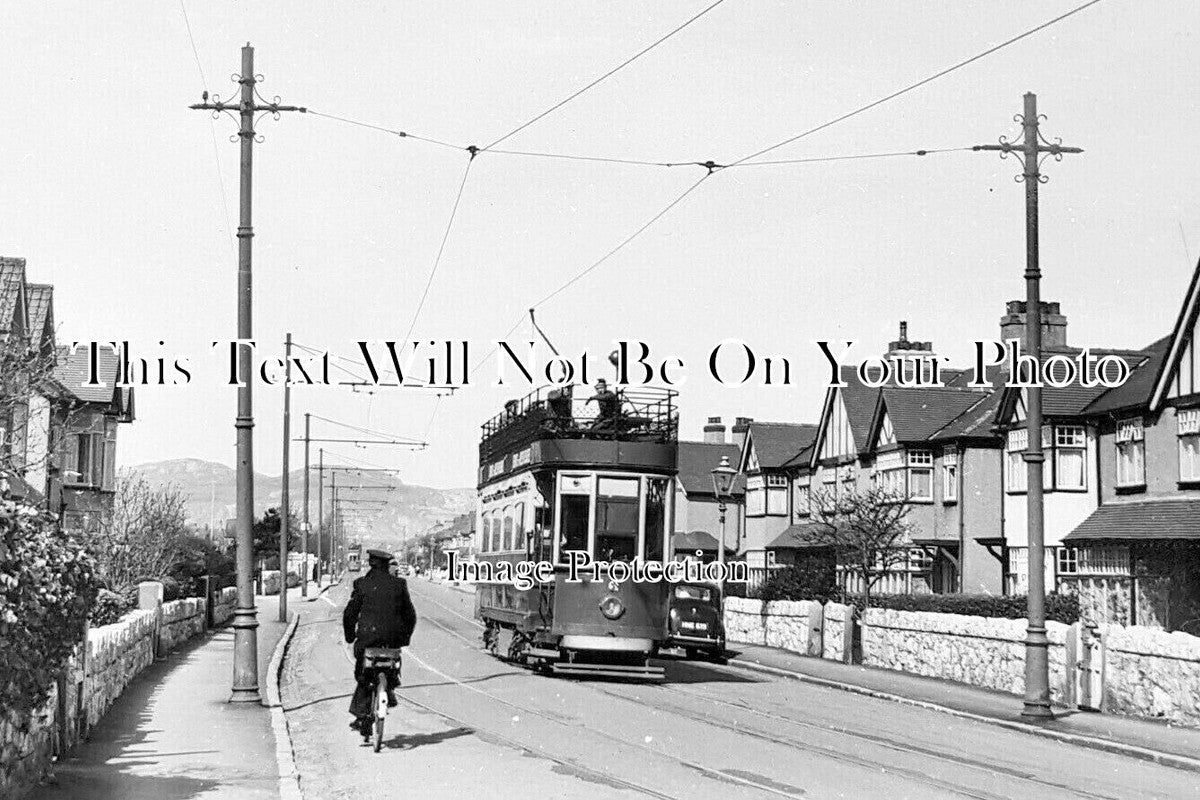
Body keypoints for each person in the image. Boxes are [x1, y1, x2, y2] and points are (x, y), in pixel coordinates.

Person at [342, 549, 417, 739]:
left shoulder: (362, 584)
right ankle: (389, 690)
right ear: (386, 565)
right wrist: (404, 638)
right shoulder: (399, 584)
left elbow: (349, 614)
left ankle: (361, 715)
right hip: (392, 641)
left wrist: (350, 636)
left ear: (370, 564)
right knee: (392, 664)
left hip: (368, 640)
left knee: (363, 673)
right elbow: (410, 616)